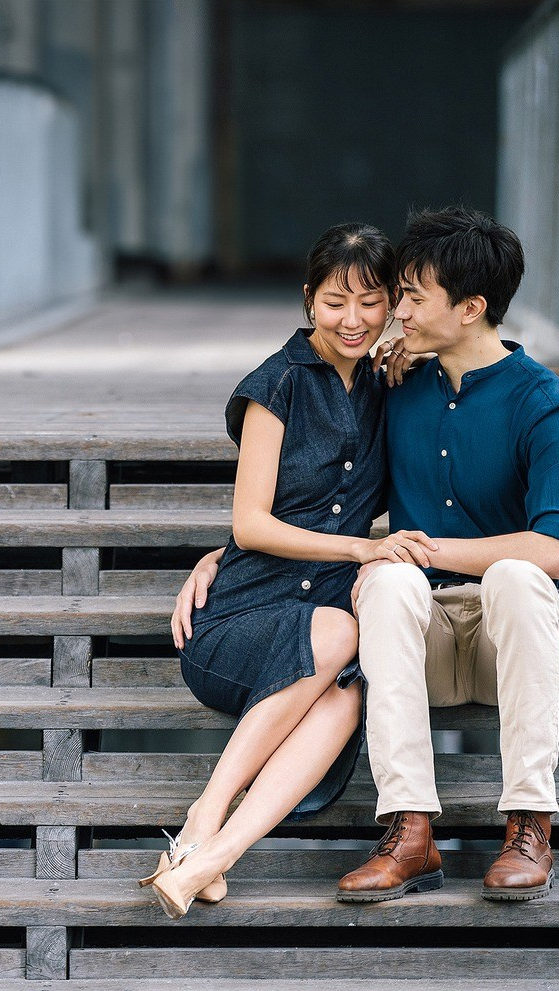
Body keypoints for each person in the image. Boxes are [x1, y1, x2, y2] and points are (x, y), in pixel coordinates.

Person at [173, 207, 559, 903]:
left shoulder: (542, 403)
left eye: (409, 296)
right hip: (411, 637)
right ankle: (408, 831)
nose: (393, 311)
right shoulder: (394, 386)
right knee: (390, 583)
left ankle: (528, 826)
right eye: (390, 294)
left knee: (517, 576)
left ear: (470, 309)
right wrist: (226, 554)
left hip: (509, 642)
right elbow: (319, 492)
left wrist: (430, 551)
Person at [146, 224, 433, 919]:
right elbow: (251, 525)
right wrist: (362, 550)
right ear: (309, 299)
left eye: (371, 302)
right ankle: (203, 813)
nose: (354, 319)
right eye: (337, 301)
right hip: (239, 623)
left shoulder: (388, 385)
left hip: (318, 635)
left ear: (393, 303)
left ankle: (211, 858)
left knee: (350, 692)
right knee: (339, 634)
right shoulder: (274, 386)